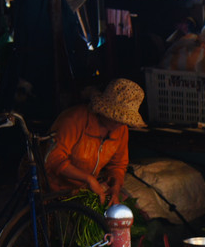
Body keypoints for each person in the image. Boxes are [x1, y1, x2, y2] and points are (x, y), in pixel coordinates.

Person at [44, 78, 145, 206]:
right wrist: (89, 179)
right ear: (103, 109)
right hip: (51, 188)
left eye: (124, 120)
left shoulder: (121, 130)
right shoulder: (74, 119)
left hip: (80, 191)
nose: (120, 123)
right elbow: (53, 159)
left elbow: (118, 165)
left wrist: (115, 186)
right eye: (116, 118)